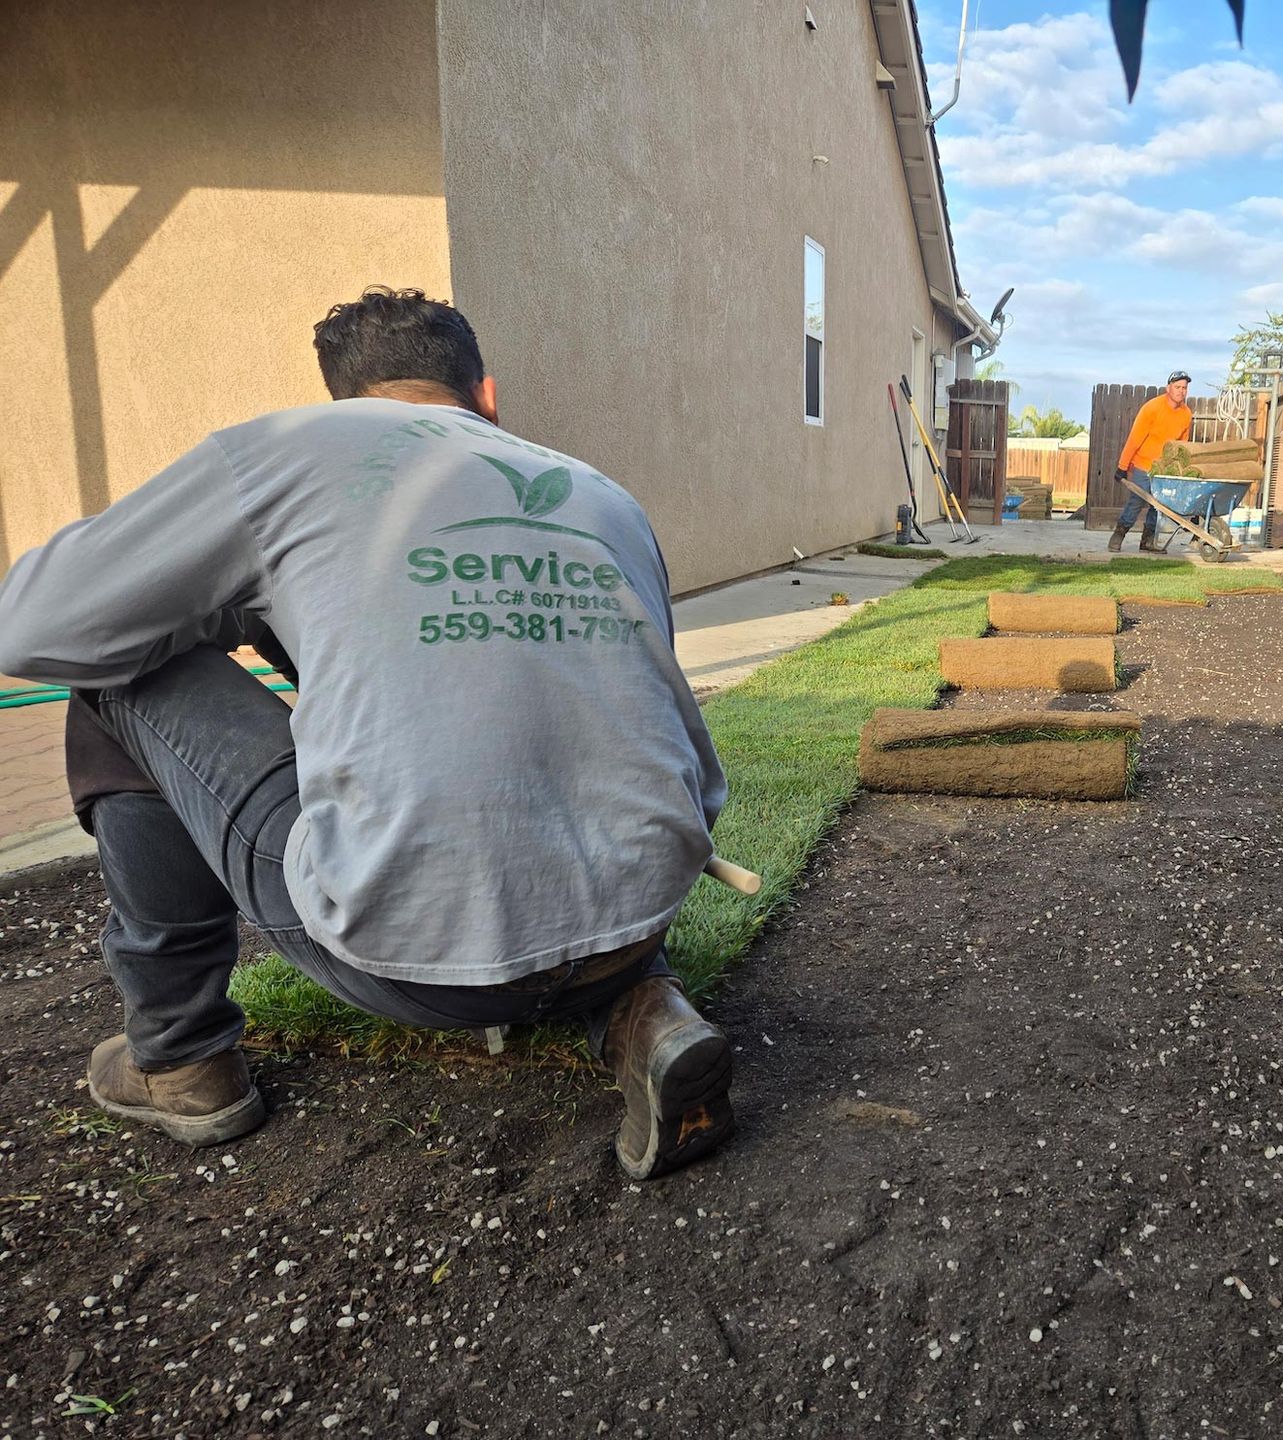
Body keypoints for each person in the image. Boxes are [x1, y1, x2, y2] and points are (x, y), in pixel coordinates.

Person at [0, 287, 734, 1182]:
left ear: (341, 404)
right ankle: (643, 1008)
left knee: (114, 664)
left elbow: (34, 624)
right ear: (486, 398)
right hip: (636, 915)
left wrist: (217, 607)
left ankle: (179, 1055)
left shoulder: (285, 451)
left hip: (416, 966)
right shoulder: (599, 491)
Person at [1109, 370, 1194, 552]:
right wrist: (1122, 466)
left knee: (1159, 506)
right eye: (1177, 387)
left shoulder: (1186, 414)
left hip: (1164, 469)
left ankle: (1147, 542)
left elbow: (1182, 445)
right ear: (1168, 388)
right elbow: (1134, 439)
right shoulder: (1152, 408)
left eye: (1184, 388)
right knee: (1136, 502)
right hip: (1144, 465)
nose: (1181, 391)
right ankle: (1118, 536)